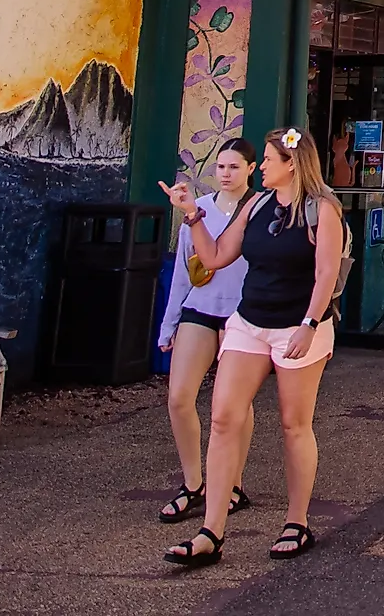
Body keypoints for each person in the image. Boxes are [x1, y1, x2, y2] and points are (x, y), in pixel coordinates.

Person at [160, 125, 345, 567]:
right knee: (224, 418)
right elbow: (217, 256)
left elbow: (326, 275)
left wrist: (308, 323)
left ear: (291, 164)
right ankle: (211, 531)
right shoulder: (258, 204)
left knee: (293, 424)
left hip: (299, 326)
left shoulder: (323, 211)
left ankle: (296, 522)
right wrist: (190, 214)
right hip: (250, 322)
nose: (260, 166)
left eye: (267, 160)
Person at [155, 138, 256, 527]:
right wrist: (170, 323)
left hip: (243, 315)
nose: (226, 174)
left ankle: (233, 484)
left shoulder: (259, 209)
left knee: (234, 406)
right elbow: (184, 272)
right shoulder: (198, 212)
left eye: (235, 167)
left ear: (251, 169)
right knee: (180, 397)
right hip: (199, 309)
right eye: (221, 166)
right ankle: (193, 483)